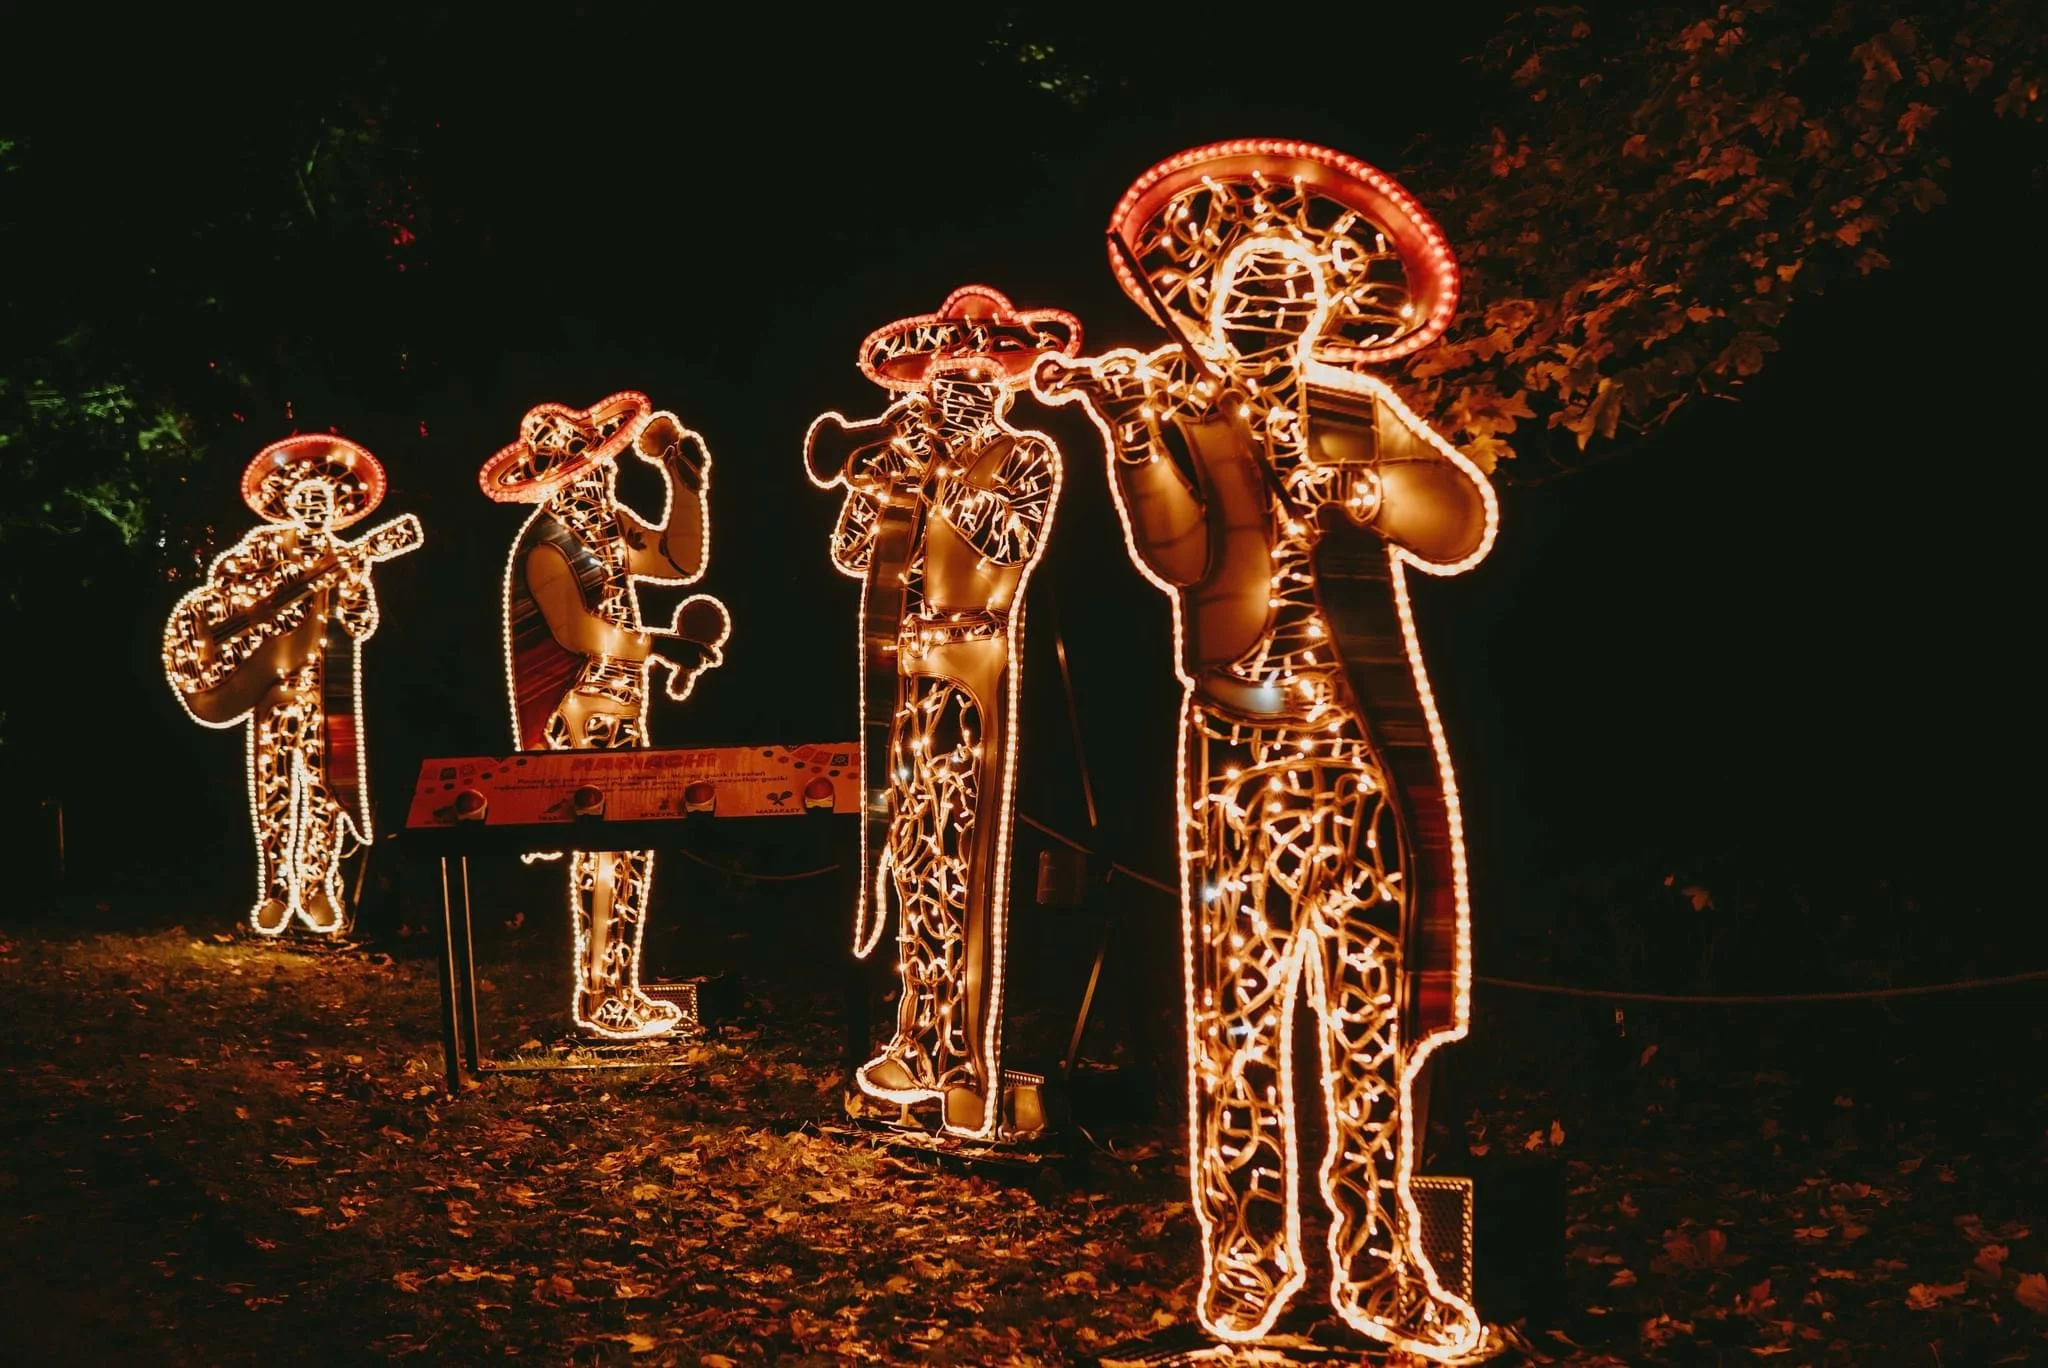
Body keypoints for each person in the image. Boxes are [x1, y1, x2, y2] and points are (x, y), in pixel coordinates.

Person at [1035, 140, 1496, 1359]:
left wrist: (1360, 492)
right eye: (1247, 287)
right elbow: (1178, 558)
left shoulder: (1355, 407)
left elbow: (1456, 524)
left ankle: (1379, 1267)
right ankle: (1246, 1260)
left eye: (1290, 290)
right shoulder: (1183, 407)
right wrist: (1131, 439)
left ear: (1322, 310)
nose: (1267, 305)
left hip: (1361, 753)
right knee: (1234, 1017)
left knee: (1366, 1026)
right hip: (1239, 752)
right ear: (1207, 300)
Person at [805, 286, 1079, 1139]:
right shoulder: (913, 458)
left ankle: (967, 1065)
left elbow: (1011, 542)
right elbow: (851, 553)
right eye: (941, 383)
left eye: (968, 382)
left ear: (999, 388)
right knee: (917, 866)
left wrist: (949, 471)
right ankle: (916, 1041)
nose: (950, 394)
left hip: (973, 670)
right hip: (906, 676)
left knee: (968, 871)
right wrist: (875, 484)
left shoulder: (1026, 455)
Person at [480, 393, 729, 1039]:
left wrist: (684, 481)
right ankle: (602, 995)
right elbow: (576, 631)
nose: (604, 474)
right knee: (605, 849)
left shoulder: (606, 530)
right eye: (589, 467)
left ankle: (616, 988)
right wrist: (656, 645)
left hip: (619, 705)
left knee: (627, 848)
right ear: (557, 481)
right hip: (577, 710)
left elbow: (679, 560)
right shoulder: (548, 543)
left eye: (603, 463)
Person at [164, 435, 421, 936]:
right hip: (273, 687)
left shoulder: (346, 558)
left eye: (323, 501)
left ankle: (316, 883)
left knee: (326, 791)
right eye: (305, 498)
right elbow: (223, 581)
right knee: (275, 788)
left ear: (336, 510)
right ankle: (276, 888)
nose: (314, 507)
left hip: (325, 691)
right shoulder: (265, 545)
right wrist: (282, 585)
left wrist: (354, 579)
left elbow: (362, 624)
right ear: (289, 504)